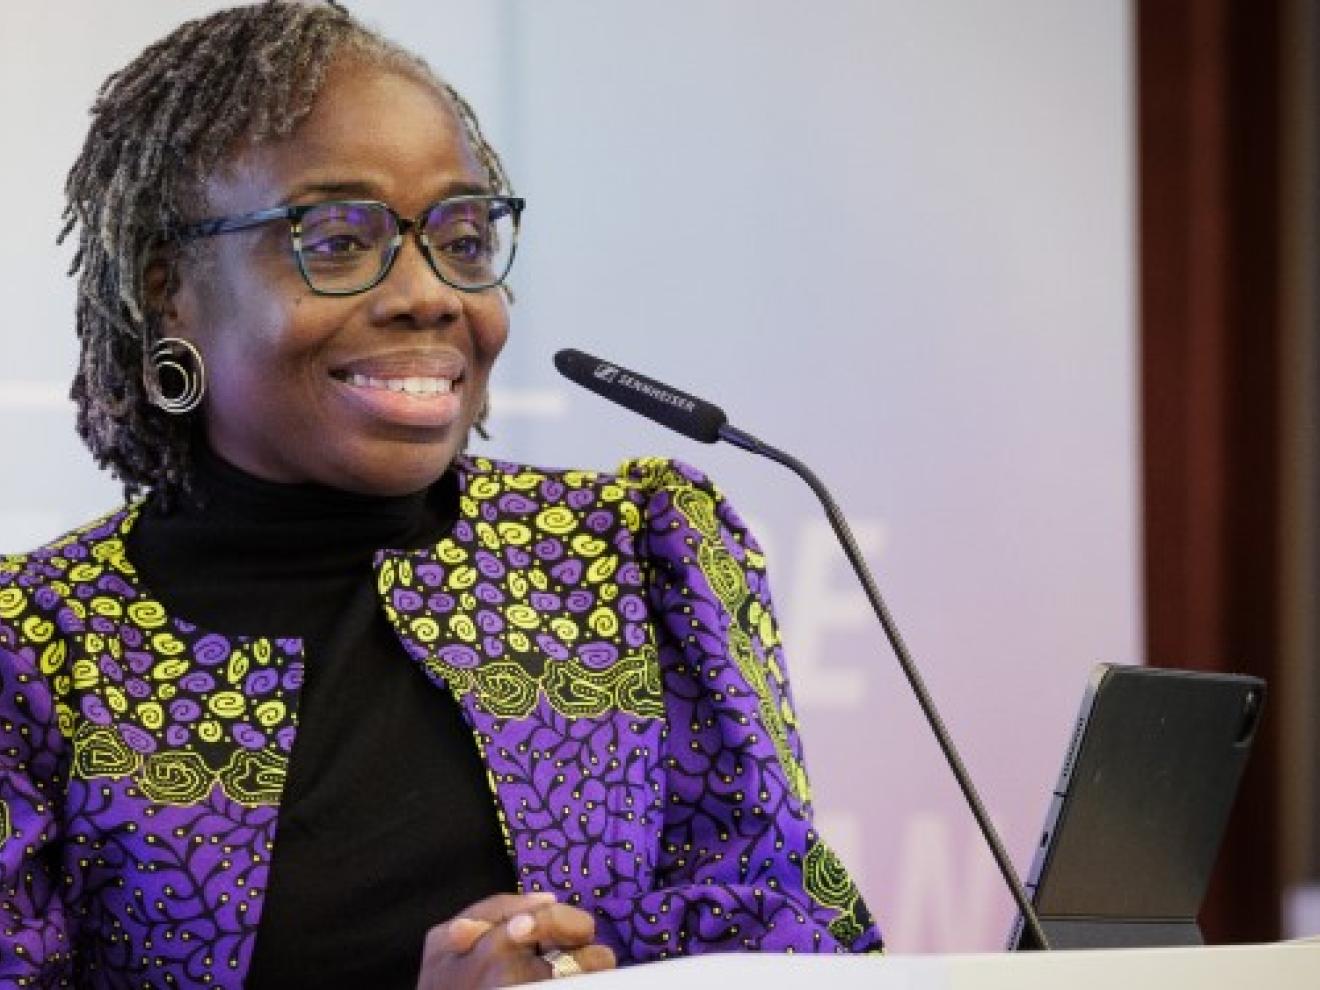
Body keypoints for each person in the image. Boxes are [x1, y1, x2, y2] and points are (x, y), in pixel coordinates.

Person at [0, 2, 880, 986]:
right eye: (334, 239)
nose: (430, 293)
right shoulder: (33, 653)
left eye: (463, 238)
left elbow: (792, 952)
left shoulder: (632, 561)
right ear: (171, 288)